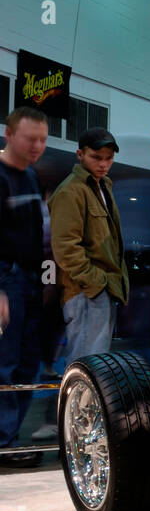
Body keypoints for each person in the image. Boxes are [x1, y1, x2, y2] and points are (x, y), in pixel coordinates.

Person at [49, 127, 129, 362]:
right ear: (79, 154)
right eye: (96, 157)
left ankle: (86, 400)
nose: (104, 164)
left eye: (109, 158)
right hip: (86, 291)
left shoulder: (103, 186)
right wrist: (96, 283)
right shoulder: (71, 191)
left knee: (94, 365)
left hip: (101, 289)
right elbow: (65, 247)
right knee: (85, 365)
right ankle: (76, 401)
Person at [0, 107, 50, 467]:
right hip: (6, 281)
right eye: (30, 139)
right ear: (9, 134)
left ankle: (9, 438)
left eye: (43, 140)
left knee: (28, 366)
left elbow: (38, 237)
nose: (37, 146)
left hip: (32, 283)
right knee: (5, 364)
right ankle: (4, 441)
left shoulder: (31, 178)